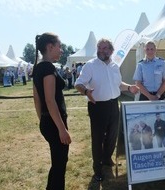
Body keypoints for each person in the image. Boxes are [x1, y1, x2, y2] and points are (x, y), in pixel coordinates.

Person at [74, 38, 139, 182]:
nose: (101, 51)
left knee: (112, 135)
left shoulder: (115, 66)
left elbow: (118, 84)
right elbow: (78, 83)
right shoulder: (90, 65)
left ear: (111, 51)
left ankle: (106, 158)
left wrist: (129, 87)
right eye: (99, 48)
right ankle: (97, 169)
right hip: (97, 106)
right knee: (98, 139)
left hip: (113, 104)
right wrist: (86, 92)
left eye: (104, 48)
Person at [32, 32, 71, 190]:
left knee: (57, 164)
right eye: (59, 46)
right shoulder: (48, 68)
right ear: (50, 47)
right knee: (59, 165)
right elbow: (49, 100)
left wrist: (43, 119)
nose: (61, 50)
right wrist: (61, 129)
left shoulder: (38, 67)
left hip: (48, 121)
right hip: (55, 124)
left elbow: (36, 99)